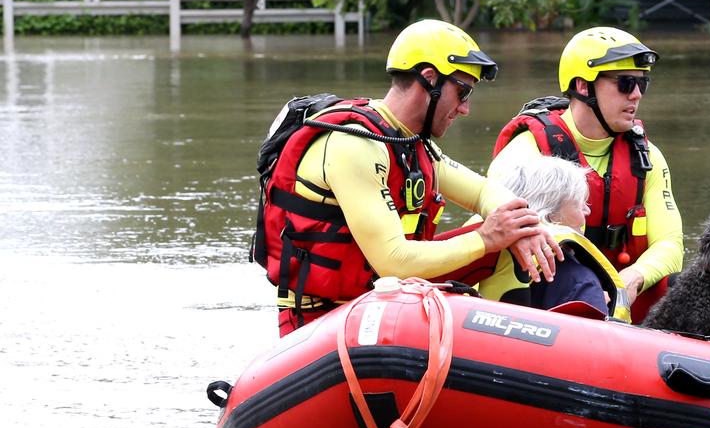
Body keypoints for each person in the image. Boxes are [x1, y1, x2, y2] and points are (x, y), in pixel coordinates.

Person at [258, 19, 561, 336]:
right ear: (429, 79)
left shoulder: (409, 143)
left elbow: (484, 192)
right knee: (491, 239)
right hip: (324, 320)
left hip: (386, 300)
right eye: (462, 92)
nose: (465, 109)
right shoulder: (355, 145)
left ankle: (519, 359)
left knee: (508, 241)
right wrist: (486, 238)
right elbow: (395, 261)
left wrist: (524, 226)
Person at [489, 26, 682, 321]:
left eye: (643, 84)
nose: (636, 95)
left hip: (622, 299)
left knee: (680, 283)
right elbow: (497, 232)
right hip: (551, 301)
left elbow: (670, 244)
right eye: (625, 83)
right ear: (582, 86)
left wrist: (633, 278)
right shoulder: (526, 151)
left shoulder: (648, 158)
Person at [478, 156, 629, 320]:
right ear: (550, 214)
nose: (587, 211)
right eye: (579, 203)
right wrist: (594, 300)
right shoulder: (580, 282)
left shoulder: (482, 254)